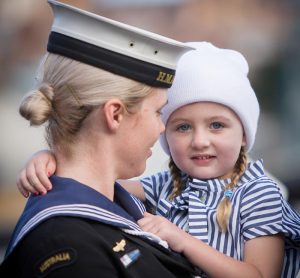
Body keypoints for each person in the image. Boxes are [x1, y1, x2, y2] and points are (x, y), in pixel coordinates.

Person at [15, 42, 300, 277]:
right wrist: (51, 158)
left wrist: (184, 241)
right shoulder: (169, 185)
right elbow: (91, 183)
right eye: (182, 126)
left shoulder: (259, 194)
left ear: (244, 135)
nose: (200, 140)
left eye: (217, 125)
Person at [0, 1, 199, 277]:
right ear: (115, 114)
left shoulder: (119, 207)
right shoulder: (66, 243)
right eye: (157, 112)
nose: (161, 128)